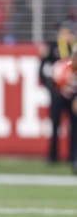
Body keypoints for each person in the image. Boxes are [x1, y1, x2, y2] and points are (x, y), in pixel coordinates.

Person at [39, 20, 77, 164]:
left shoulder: (74, 49)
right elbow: (43, 69)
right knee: (55, 124)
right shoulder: (53, 47)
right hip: (57, 92)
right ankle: (53, 156)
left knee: (74, 126)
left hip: (73, 94)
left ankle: (72, 156)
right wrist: (51, 88)